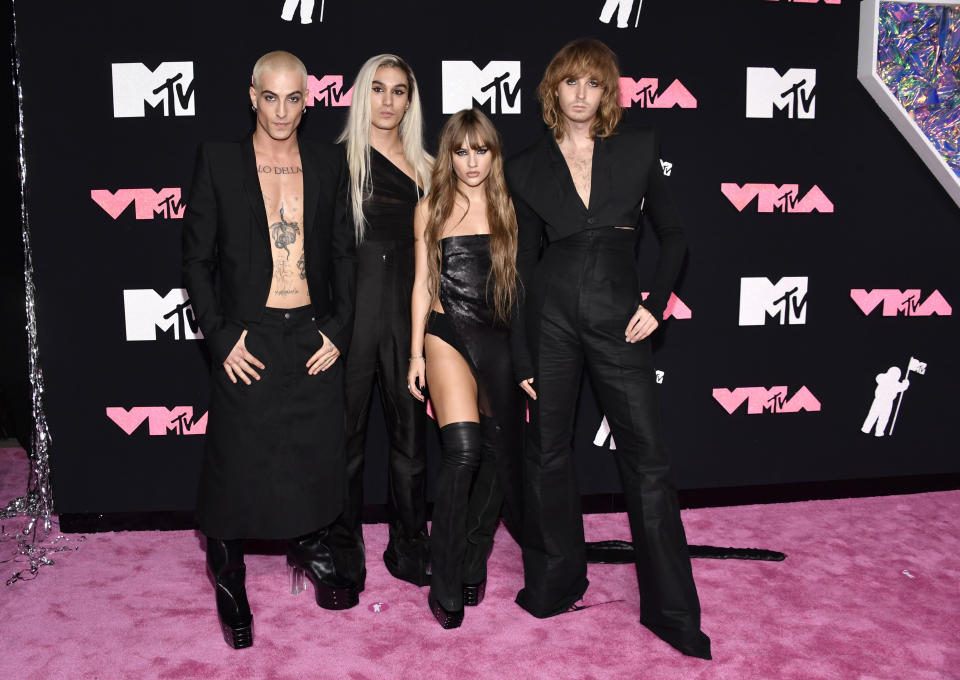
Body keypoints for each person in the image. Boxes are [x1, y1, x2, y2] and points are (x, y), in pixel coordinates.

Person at [505, 39, 711, 659]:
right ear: (553, 91)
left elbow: (674, 237)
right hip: (551, 321)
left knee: (646, 460)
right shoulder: (525, 166)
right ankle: (556, 581)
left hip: (620, 320)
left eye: (592, 84)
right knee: (547, 454)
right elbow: (519, 267)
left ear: (607, 93)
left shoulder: (637, 149)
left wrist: (656, 306)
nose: (580, 94)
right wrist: (521, 358)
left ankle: (672, 611)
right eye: (570, 82)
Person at [182, 50, 358, 649]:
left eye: (293, 98)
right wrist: (221, 333)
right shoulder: (220, 160)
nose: (281, 111)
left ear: (306, 101)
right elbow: (196, 260)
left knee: (312, 446)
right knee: (236, 456)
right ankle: (228, 569)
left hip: (311, 326)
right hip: (246, 333)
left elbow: (343, 254)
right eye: (270, 97)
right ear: (251, 95)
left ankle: (307, 541)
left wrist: (338, 327)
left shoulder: (329, 162)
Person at [407, 108, 523, 629]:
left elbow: (524, 288)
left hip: (497, 335)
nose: (472, 161)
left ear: (493, 153)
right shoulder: (430, 206)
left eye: (482, 150)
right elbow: (422, 284)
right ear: (448, 153)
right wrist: (415, 353)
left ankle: (475, 558)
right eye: (461, 150)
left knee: (499, 455)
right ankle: (446, 576)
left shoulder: (509, 206)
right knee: (464, 451)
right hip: (445, 331)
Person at [327, 54, 434, 590]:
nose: (388, 101)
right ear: (361, 94)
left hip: (407, 316)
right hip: (351, 313)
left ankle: (410, 545)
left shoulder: (430, 169)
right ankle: (344, 550)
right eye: (378, 89)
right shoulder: (338, 163)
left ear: (410, 100)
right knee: (343, 442)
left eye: (399, 91)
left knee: (412, 440)